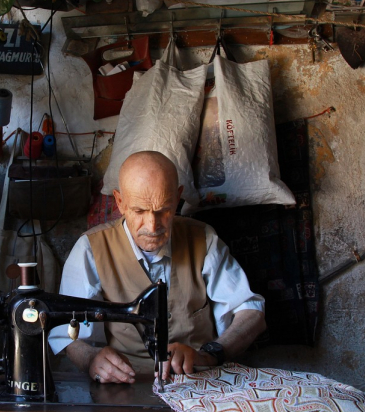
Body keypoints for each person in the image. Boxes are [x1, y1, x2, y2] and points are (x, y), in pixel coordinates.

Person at [48, 151, 266, 384]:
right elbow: (66, 334)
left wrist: (211, 353)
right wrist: (91, 358)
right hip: (128, 385)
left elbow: (250, 310)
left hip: (201, 378)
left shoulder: (203, 239)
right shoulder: (91, 250)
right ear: (120, 203)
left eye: (163, 210)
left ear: (178, 197)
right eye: (140, 211)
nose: (153, 225)